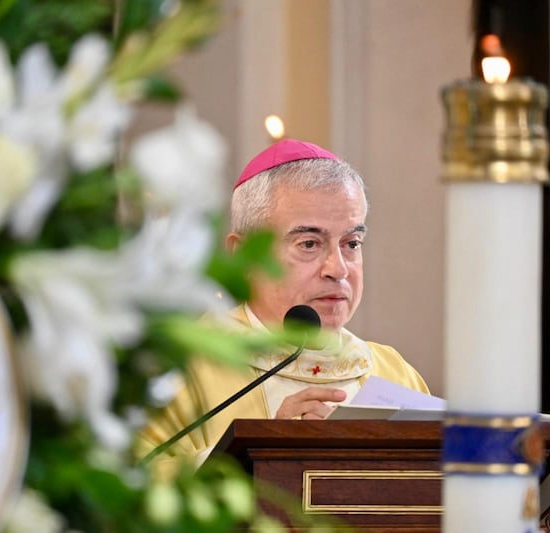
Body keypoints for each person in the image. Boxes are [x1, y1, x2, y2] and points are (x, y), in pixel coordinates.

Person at [140, 139, 429, 464]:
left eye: (351, 243)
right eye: (309, 243)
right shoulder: (182, 370)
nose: (338, 269)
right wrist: (261, 455)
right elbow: (134, 491)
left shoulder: (394, 373)